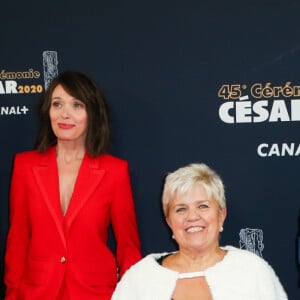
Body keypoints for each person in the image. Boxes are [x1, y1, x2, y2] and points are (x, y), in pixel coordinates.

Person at [4, 71, 141, 300]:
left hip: (95, 293)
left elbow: (128, 247)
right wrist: (13, 295)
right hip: (37, 292)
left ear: (92, 114)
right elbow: (17, 242)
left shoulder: (115, 172)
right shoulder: (24, 166)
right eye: (57, 104)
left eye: (77, 105)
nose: (65, 114)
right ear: (48, 111)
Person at [112, 163, 288, 300]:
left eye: (203, 206)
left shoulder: (253, 271)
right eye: (181, 209)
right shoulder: (140, 278)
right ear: (169, 221)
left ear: (221, 215)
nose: (192, 216)